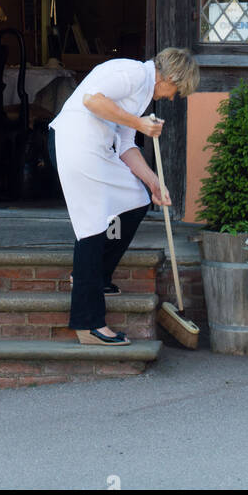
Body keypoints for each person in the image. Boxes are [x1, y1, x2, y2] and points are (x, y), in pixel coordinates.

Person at [48, 48, 200, 345]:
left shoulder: (143, 94)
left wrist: (154, 182)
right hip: (75, 146)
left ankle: (97, 276)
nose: (172, 97)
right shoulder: (132, 73)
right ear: (170, 76)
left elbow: (127, 147)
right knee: (92, 226)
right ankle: (88, 323)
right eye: (176, 90)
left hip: (98, 152)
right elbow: (92, 100)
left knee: (138, 200)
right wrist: (138, 123)